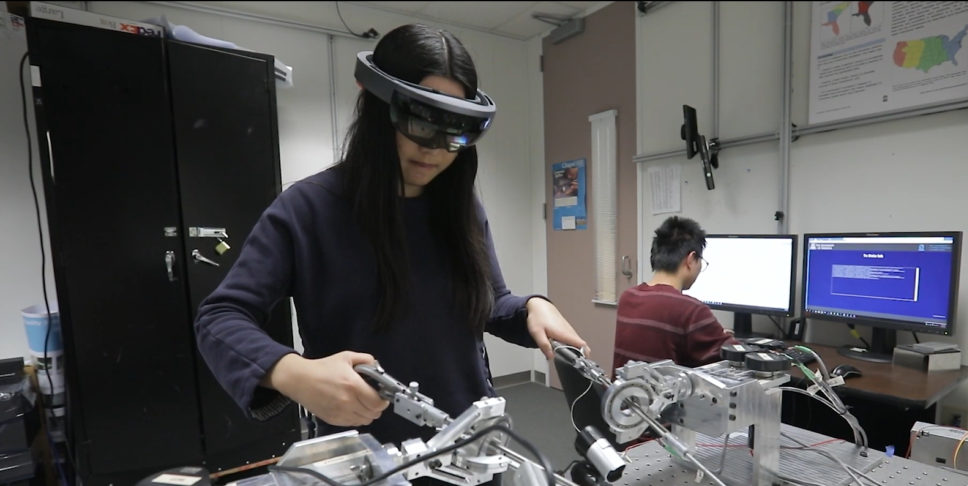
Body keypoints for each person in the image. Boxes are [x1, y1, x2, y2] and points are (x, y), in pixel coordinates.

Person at [193, 23, 588, 476]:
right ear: (377, 107)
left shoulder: (460, 209)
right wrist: (294, 374)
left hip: (470, 450)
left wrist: (533, 308)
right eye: (420, 123)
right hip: (367, 462)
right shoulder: (307, 209)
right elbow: (220, 317)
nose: (435, 151)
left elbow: (491, 303)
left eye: (453, 134)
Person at [612, 216, 737, 370]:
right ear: (691, 260)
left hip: (623, 393)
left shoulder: (628, 297)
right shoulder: (691, 310)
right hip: (662, 394)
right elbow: (735, 354)